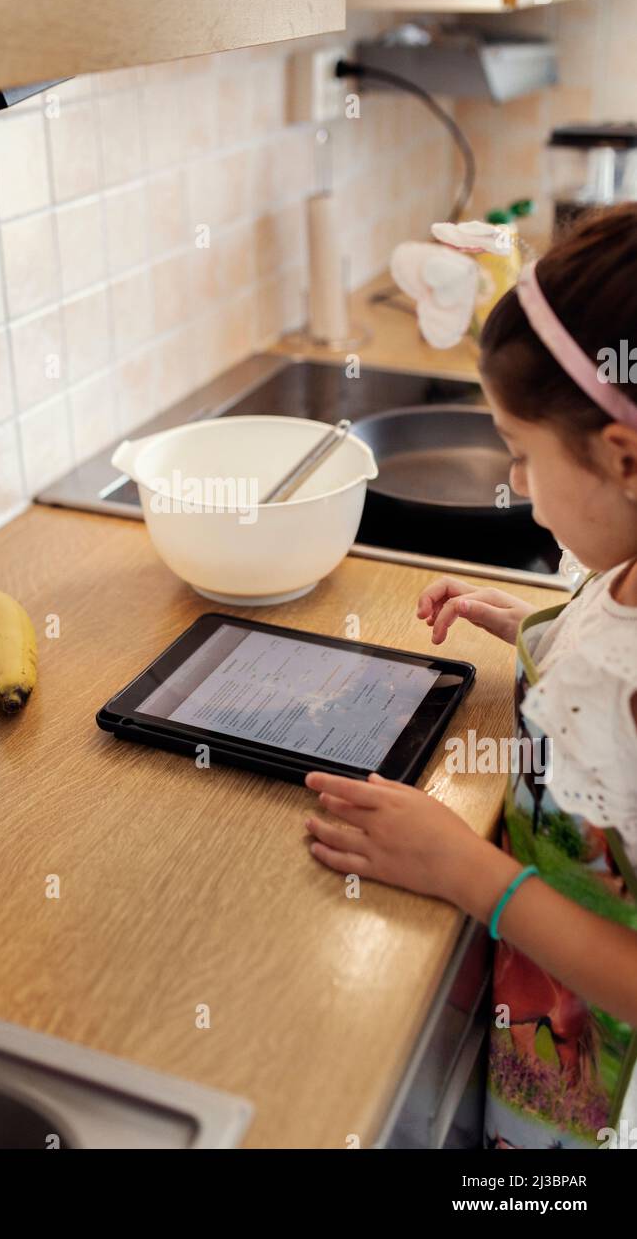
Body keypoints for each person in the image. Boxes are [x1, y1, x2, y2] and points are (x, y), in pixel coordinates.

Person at [305, 206, 637, 1149]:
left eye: (523, 455)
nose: (518, 484)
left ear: (625, 460)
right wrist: (533, 627)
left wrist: (465, 870)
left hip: (587, 1088)